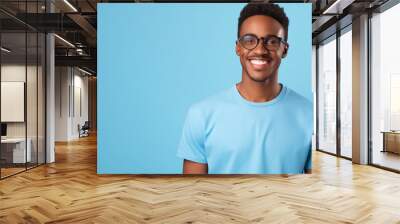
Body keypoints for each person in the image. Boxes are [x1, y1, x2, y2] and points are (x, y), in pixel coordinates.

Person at [176, 2, 313, 174]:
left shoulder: (309, 115)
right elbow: (193, 194)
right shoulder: (201, 114)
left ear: (284, 49)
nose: (260, 50)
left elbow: (313, 192)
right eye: (250, 40)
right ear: (238, 47)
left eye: (271, 41)